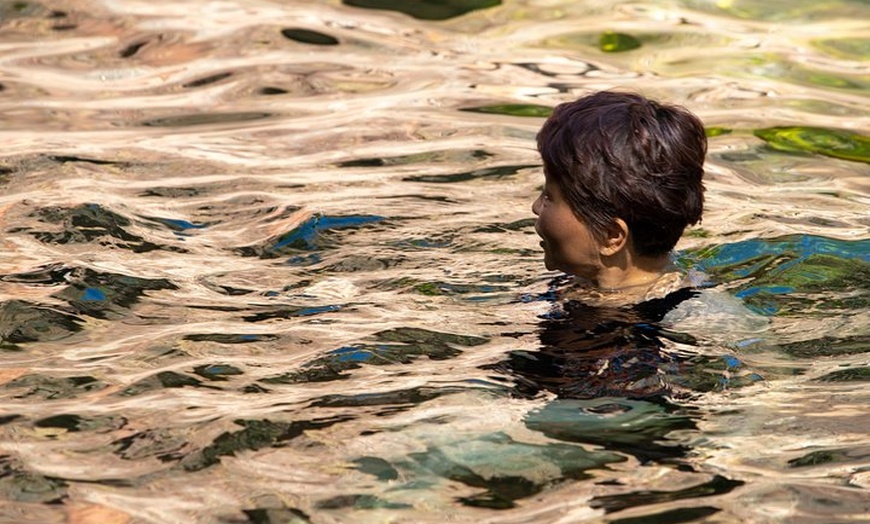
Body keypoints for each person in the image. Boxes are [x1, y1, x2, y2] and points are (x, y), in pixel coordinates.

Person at [532, 90, 707, 305]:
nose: (536, 206)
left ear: (611, 236)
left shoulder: (678, 322)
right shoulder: (570, 287)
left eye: (549, 196)